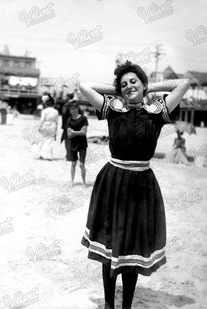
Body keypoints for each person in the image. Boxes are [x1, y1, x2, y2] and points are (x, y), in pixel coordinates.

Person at [79, 60, 190, 309]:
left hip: (142, 186)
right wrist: (117, 90)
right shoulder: (113, 109)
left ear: (143, 84)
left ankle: (126, 306)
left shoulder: (157, 112)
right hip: (113, 182)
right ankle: (109, 304)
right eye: (124, 84)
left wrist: (150, 88)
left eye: (134, 82)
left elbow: (184, 83)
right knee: (109, 248)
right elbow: (84, 86)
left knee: (132, 250)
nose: (129, 86)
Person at [66, 100, 88, 187]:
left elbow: (84, 132)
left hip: (82, 144)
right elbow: (69, 135)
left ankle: (84, 182)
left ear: (77, 108)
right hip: (73, 144)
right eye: (70, 109)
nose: (72, 111)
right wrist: (78, 132)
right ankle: (72, 181)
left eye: (73, 109)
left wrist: (73, 132)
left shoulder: (83, 119)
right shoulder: (69, 120)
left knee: (82, 164)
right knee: (73, 164)